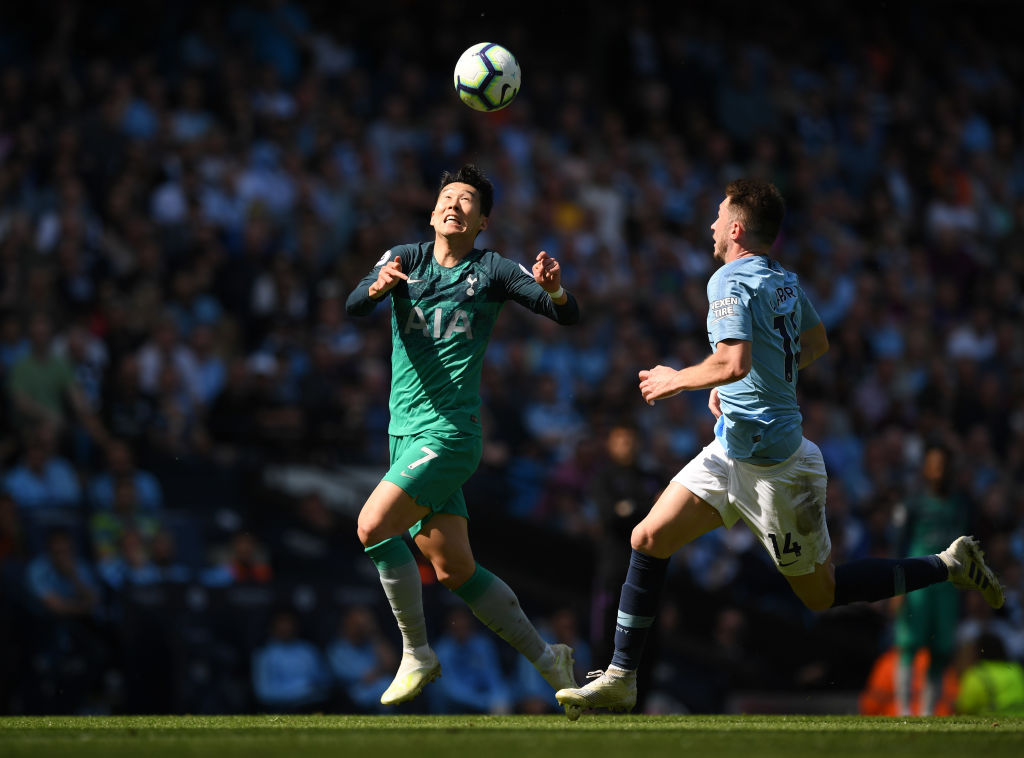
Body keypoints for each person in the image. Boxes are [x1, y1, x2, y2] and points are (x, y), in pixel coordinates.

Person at [555, 178, 1005, 717]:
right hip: (731, 451)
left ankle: (948, 563)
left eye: (719, 216)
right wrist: (743, 391)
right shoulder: (784, 281)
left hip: (777, 470)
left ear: (737, 229)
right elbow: (814, 344)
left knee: (820, 593)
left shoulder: (727, 280)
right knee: (648, 537)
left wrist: (680, 379)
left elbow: (734, 361)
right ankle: (622, 676)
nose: (712, 225)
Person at [345, 164, 581, 712]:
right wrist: (378, 285)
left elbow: (563, 314)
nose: (455, 203)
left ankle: (416, 651)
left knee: (372, 526)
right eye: (447, 195)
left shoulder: (493, 269)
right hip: (402, 436)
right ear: (433, 212)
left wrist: (556, 290)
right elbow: (355, 303)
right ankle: (551, 661)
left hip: (449, 435)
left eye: (468, 199)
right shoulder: (404, 257)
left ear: (483, 222)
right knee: (455, 571)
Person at [891, 442, 968, 715]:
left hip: (948, 587)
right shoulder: (912, 504)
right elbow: (898, 547)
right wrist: (896, 588)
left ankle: (927, 712)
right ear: (925, 468)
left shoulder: (962, 504)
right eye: (934, 464)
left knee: (942, 648)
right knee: (909, 644)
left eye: (944, 465)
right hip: (916, 584)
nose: (939, 471)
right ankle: (902, 709)